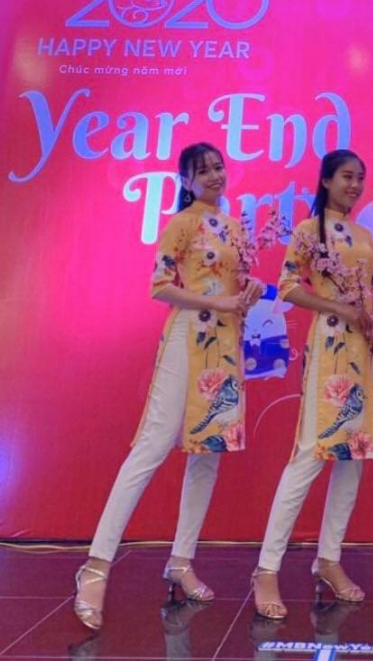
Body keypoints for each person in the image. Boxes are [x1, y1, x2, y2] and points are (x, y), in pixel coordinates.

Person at [73, 142, 264, 630]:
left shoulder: (236, 226)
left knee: (207, 453)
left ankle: (181, 560)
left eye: (219, 167)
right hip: (188, 339)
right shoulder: (181, 224)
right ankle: (95, 565)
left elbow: (236, 289)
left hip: (224, 345)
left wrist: (250, 293)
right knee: (153, 446)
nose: (215, 175)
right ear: (186, 181)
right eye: (203, 171)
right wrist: (217, 303)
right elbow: (160, 286)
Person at [252, 149, 373, 619]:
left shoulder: (365, 236)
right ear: (326, 180)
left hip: (365, 352)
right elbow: (289, 286)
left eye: (360, 177)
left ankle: (329, 559)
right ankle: (266, 568)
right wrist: (340, 309)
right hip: (330, 347)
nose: (355, 185)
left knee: (354, 457)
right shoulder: (310, 231)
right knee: (310, 454)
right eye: (347, 176)